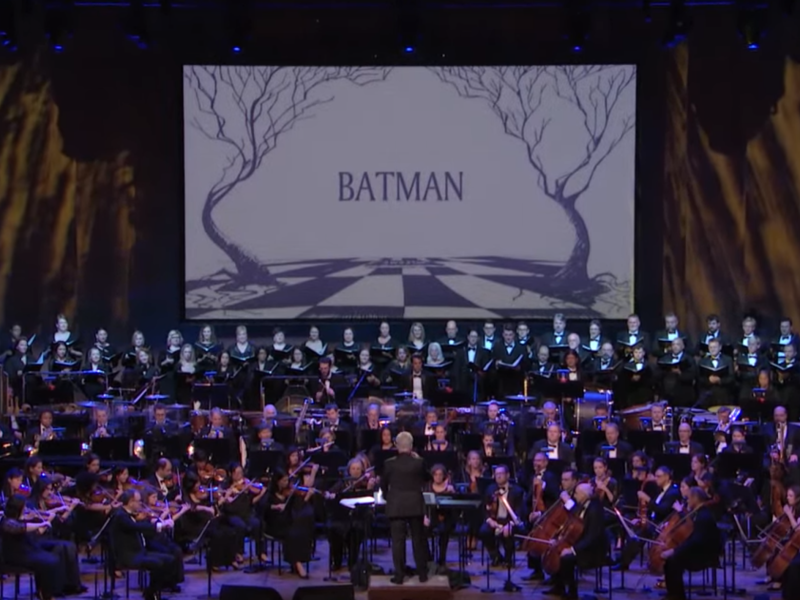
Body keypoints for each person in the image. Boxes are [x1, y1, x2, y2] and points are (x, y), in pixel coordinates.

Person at [109, 489, 181, 600]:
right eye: (138, 501)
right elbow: (136, 527)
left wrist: (154, 522)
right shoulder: (120, 516)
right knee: (158, 563)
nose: (141, 504)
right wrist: (160, 526)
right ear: (131, 502)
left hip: (140, 551)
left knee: (170, 559)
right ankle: (151, 594)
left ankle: (152, 591)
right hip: (129, 556)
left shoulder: (130, 514)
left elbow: (141, 525)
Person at [380, 430, 429, 584]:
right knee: (418, 540)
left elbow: (383, 485)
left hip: (396, 505)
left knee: (398, 542)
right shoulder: (419, 462)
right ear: (411, 446)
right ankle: (422, 574)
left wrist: (389, 498)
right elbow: (427, 478)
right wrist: (418, 458)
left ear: (396, 445)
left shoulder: (389, 464)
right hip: (415, 504)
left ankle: (399, 575)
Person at [544, 482, 607, 600]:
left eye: (577, 493)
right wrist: (558, 538)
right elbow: (573, 519)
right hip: (582, 543)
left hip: (592, 550)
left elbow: (591, 537)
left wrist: (573, 549)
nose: (574, 496)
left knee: (566, 558)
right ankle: (559, 587)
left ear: (584, 495)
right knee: (558, 549)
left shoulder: (595, 509)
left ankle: (572, 592)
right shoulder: (583, 504)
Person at [0, 494, 65, 600]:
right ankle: (46, 595)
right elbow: (22, 527)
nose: (25, 509)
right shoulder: (7, 522)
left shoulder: (17, 518)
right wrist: (41, 524)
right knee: (48, 562)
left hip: (25, 551)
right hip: (15, 556)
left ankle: (44, 591)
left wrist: (31, 518)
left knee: (52, 558)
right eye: (24, 507)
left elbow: (25, 526)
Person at [661, 487, 721, 600]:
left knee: (673, 560)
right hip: (698, 549)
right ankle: (673, 594)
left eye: (688, 498)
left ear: (695, 498)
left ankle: (677, 596)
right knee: (672, 559)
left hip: (705, 555)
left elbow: (696, 541)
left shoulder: (703, 516)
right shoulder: (699, 513)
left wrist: (674, 550)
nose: (687, 501)